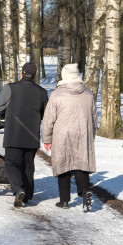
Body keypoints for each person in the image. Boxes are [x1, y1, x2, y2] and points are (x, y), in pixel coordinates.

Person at [41, 63, 97, 211]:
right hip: (83, 133)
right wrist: (91, 135)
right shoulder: (88, 94)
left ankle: (64, 201)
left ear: (64, 76)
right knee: (81, 165)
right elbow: (94, 117)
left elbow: (48, 119)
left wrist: (46, 138)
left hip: (62, 135)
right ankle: (85, 192)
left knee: (63, 166)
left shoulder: (57, 94)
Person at [0, 62, 48, 208]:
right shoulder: (42, 92)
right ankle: (28, 194)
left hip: (14, 135)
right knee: (28, 166)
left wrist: (3, 115)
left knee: (12, 163)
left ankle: (19, 190)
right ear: (35, 76)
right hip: (32, 136)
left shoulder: (10, 88)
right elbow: (45, 114)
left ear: (21, 73)